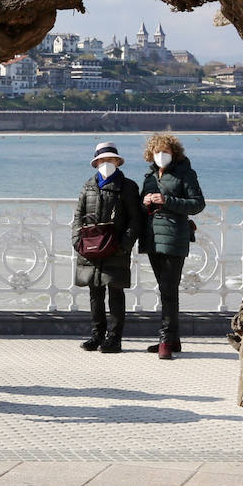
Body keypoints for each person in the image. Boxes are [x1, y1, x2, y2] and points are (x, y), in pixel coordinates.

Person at [139, 134, 206, 359]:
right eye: (157, 151)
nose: (161, 155)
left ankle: (165, 340)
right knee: (165, 288)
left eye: (165, 151)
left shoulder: (185, 173)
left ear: (174, 153)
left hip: (175, 237)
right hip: (152, 238)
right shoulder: (149, 176)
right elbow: (141, 207)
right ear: (151, 154)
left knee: (169, 289)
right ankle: (173, 339)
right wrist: (145, 202)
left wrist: (167, 200)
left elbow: (197, 203)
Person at [72, 141, 142, 353]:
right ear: (96, 163)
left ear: (118, 162)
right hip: (90, 248)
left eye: (110, 159)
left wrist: (124, 245)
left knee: (115, 292)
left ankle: (114, 338)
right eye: (102, 160)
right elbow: (78, 216)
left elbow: (135, 220)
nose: (106, 163)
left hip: (116, 248)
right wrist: (77, 240)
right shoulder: (88, 186)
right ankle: (97, 335)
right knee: (95, 292)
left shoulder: (128, 187)